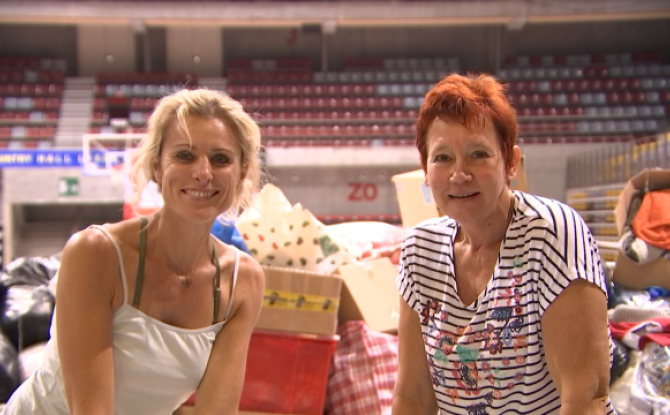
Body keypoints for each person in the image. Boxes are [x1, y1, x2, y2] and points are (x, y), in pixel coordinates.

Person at [4, 88, 265, 414]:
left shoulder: (243, 282)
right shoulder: (95, 254)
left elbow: (217, 410)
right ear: (156, 166)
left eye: (221, 159)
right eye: (184, 156)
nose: (203, 172)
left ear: (241, 173)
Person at [393, 74, 615, 415]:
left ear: (511, 162)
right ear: (425, 169)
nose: (459, 174)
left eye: (478, 154)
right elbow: (413, 398)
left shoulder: (550, 235)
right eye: (442, 158)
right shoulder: (419, 250)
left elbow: (584, 400)